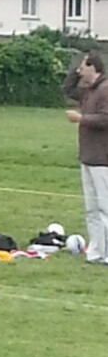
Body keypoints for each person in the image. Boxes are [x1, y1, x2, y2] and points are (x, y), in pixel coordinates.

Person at [63, 53, 108, 264]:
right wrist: (75, 70)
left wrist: (81, 118)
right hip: (87, 157)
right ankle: (96, 251)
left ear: (94, 67)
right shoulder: (88, 91)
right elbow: (67, 89)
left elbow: (105, 119)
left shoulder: (105, 89)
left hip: (103, 158)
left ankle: (106, 251)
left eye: (84, 66)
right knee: (91, 209)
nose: (81, 71)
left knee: (104, 208)